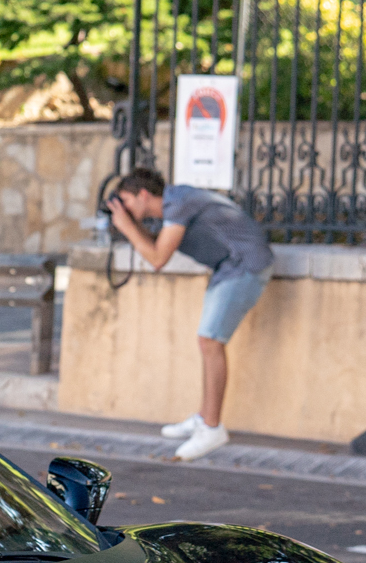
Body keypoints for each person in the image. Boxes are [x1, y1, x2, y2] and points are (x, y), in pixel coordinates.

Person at [105, 164, 274, 462]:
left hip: (246, 265)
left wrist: (126, 225)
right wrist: (128, 224)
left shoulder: (178, 203)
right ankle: (204, 418)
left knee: (210, 341)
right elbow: (153, 246)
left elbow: (157, 257)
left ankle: (211, 428)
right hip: (229, 268)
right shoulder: (173, 205)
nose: (125, 209)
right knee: (208, 341)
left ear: (143, 194)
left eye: (127, 201)